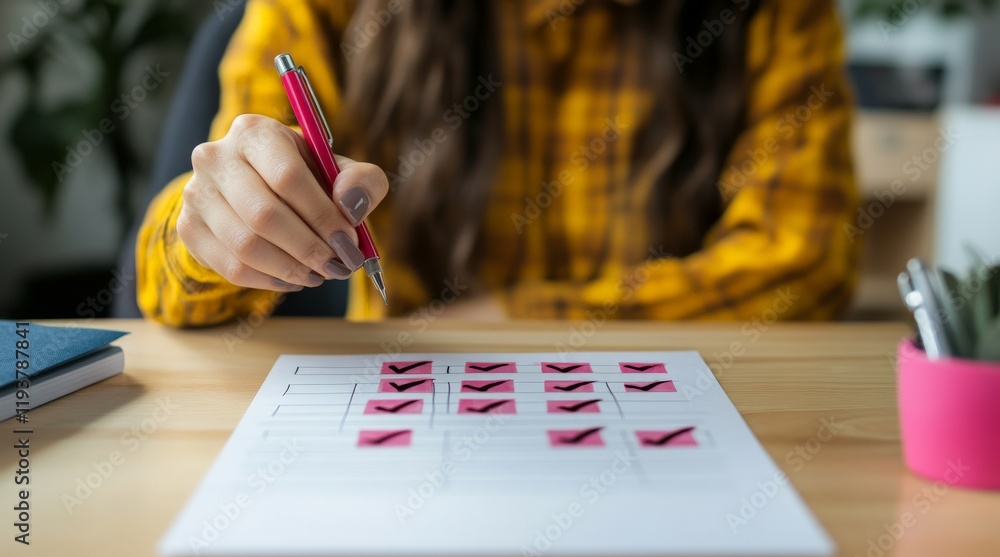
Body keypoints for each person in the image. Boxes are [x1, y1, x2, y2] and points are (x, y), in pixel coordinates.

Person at [136, 0, 859, 326]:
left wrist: (513, 317)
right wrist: (215, 229)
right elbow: (170, 291)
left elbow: (805, 264)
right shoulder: (325, 8)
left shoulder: (775, 13)